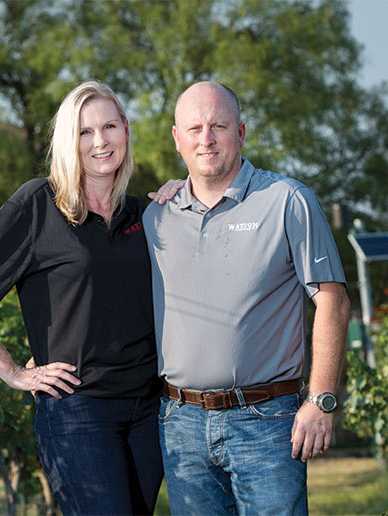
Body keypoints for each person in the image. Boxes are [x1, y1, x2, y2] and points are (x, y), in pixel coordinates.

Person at [0, 80, 165, 515]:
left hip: (148, 409)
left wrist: (181, 193)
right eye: (84, 131)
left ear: (126, 131)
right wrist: (10, 372)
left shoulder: (144, 213)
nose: (100, 141)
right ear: (67, 141)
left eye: (109, 126)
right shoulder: (40, 204)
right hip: (78, 410)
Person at [142, 81, 351, 515]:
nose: (206, 139)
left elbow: (333, 300)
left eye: (218, 126)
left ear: (241, 131)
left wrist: (321, 399)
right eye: (194, 128)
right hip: (179, 421)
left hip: (267, 420)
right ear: (176, 138)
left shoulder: (287, 201)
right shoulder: (156, 215)